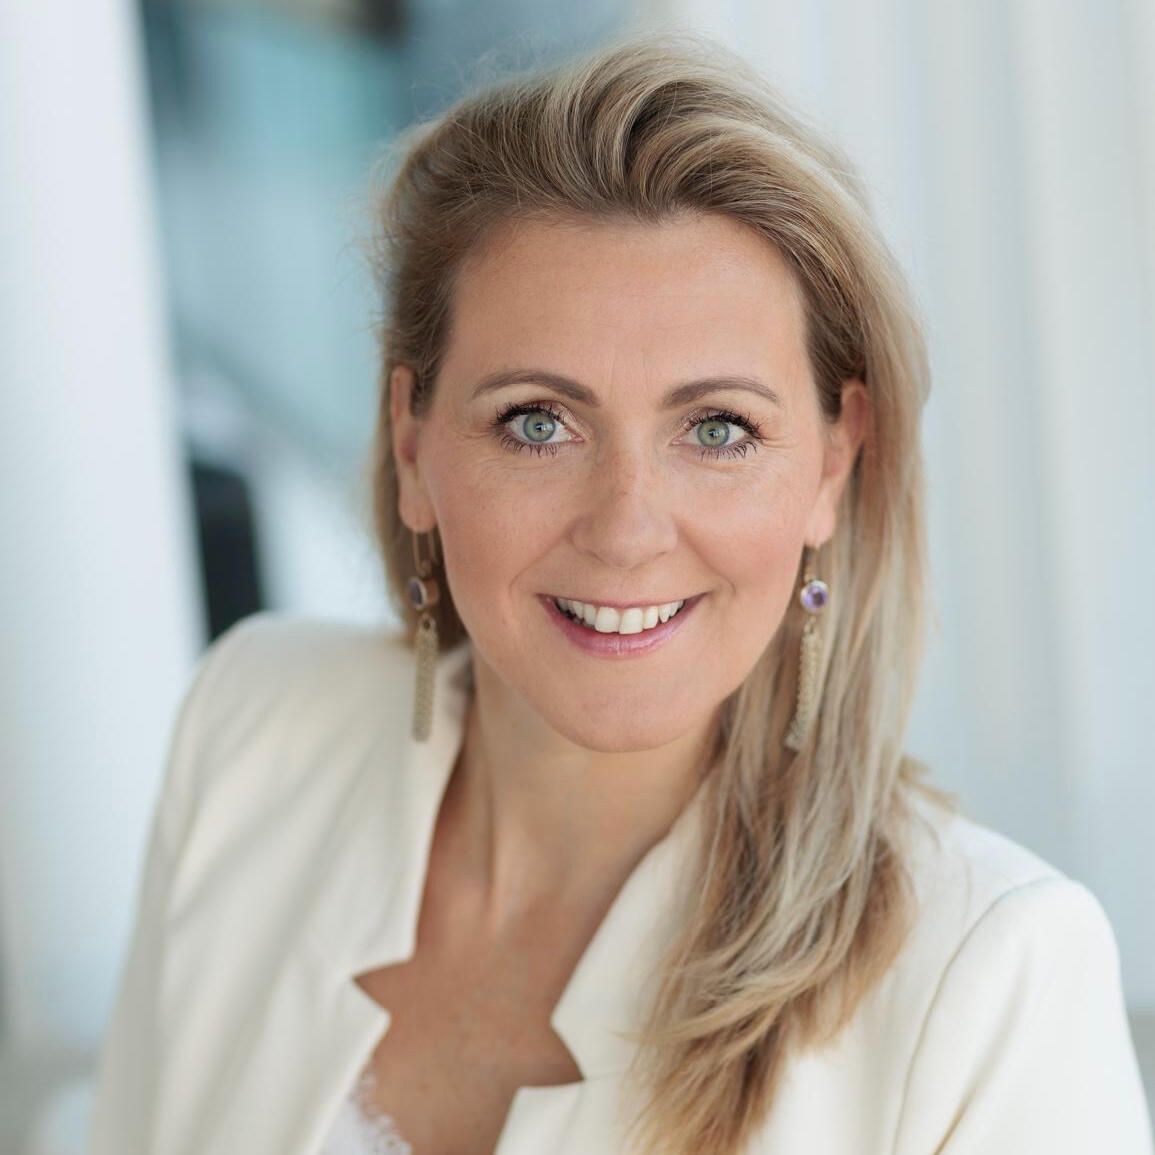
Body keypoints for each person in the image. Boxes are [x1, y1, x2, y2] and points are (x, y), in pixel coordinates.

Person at [88, 33, 1153, 1155]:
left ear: (833, 465)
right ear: (411, 444)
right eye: (537, 423)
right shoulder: (252, 730)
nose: (627, 531)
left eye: (718, 429)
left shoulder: (993, 979)